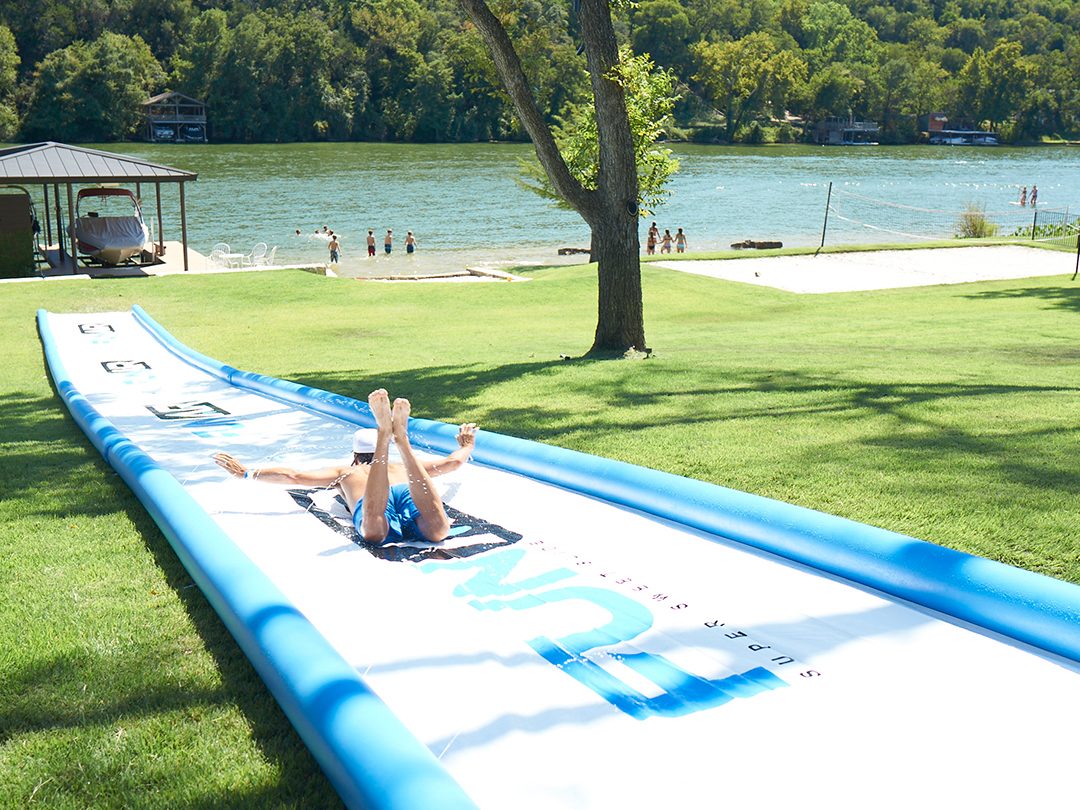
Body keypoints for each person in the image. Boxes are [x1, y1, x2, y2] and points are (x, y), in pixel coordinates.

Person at [213, 390, 477, 544]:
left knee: (373, 531)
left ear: (355, 455)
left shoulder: (346, 472)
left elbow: (294, 475)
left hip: (371, 500)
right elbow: (452, 463)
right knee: (439, 530)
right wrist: (467, 445)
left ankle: (385, 434)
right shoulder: (403, 466)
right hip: (406, 487)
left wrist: (247, 473)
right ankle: (401, 440)